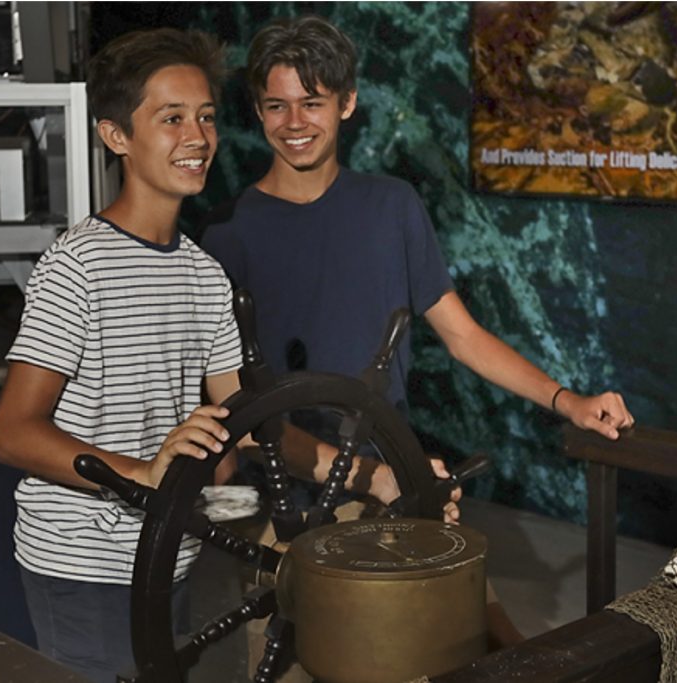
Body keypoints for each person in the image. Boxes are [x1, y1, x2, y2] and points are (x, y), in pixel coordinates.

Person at [200, 14, 635, 672]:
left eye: (312, 103)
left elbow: (462, 335)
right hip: (287, 499)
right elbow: (236, 408)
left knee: (449, 646)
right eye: (276, 105)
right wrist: (362, 475)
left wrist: (567, 400)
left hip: (391, 476)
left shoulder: (393, 206)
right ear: (257, 110)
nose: (294, 123)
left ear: (347, 103)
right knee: (293, 660)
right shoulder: (227, 234)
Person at [0, 27, 422, 682]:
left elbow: (253, 419)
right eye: (170, 119)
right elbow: (11, 432)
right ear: (116, 136)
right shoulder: (76, 266)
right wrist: (143, 475)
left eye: (206, 117)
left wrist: (372, 476)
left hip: (167, 552)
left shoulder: (201, 272)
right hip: (84, 564)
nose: (196, 137)